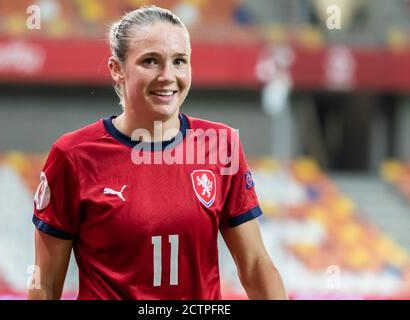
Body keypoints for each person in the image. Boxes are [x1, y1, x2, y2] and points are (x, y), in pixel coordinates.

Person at [27, 5, 287, 300]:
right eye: (150, 61)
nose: (167, 76)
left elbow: (254, 265)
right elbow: (45, 283)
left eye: (179, 61)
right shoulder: (73, 155)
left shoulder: (221, 144)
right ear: (116, 69)